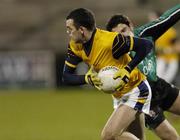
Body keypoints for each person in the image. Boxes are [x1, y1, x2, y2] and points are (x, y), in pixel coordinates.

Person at [63, 8, 153, 140]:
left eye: (70, 29)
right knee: (134, 136)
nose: (68, 32)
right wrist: (87, 79)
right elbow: (66, 77)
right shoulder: (75, 46)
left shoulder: (110, 41)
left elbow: (146, 45)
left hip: (136, 89)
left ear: (81, 30)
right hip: (118, 95)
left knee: (108, 136)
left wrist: (128, 68)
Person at [106, 4, 180, 140]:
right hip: (145, 99)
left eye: (124, 30)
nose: (123, 37)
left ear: (131, 26)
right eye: (117, 36)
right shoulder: (115, 54)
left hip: (158, 85)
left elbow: (167, 18)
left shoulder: (146, 33)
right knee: (173, 138)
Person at [148, 10, 179, 83]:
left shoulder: (169, 31)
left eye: (152, 18)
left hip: (172, 59)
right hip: (161, 58)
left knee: (167, 81)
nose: (150, 20)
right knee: (157, 78)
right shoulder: (153, 32)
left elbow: (178, 47)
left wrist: (168, 50)